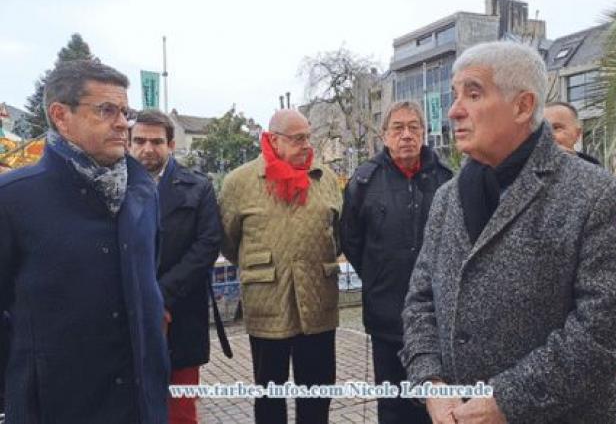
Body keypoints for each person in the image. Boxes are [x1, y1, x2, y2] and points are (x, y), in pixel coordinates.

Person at [400, 41, 616, 424]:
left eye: (474, 93)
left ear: (522, 106)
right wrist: (431, 382)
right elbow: (420, 300)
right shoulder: (448, 199)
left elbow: (609, 327)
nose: (453, 111)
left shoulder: (594, 194)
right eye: (455, 95)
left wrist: (508, 400)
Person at [0, 60, 169, 423]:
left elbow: (147, 279)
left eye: (125, 111)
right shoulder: (13, 199)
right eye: (107, 110)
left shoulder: (141, 192)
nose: (124, 122)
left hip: (141, 405)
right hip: (57, 406)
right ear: (61, 116)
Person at [219, 109, 342, 424]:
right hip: (268, 302)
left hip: (318, 301)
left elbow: (338, 233)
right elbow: (229, 241)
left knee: (317, 389)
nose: (306, 145)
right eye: (298, 138)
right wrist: (262, 266)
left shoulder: (325, 178)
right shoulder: (239, 183)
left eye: (308, 137)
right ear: (274, 140)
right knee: (270, 391)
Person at [545, 101, 616, 424]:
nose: (549, 137)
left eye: (557, 128)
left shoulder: (608, 199)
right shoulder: (522, 210)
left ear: (576, 134)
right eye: (541, 130)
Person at [340, 101, 451, 423]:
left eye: (414, 127)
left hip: (438, 316)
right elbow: (352, 242)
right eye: (398, 128)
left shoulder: (447, 180)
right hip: (387, 314)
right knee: (393, 404)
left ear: (424, 133)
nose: (406, 135)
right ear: (384, 136)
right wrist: (380, 275)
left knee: (436, 403)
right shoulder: (363, 182)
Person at [129, 109, 224, 424]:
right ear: (129, 143)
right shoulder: (112, 188)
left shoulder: (198, 187)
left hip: (180, 314)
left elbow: (208, 244)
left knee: (180, 410)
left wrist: (162, 298)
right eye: (139, 140)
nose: (147, 148)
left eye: (156, 141)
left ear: (170, 144)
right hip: (127, 315)